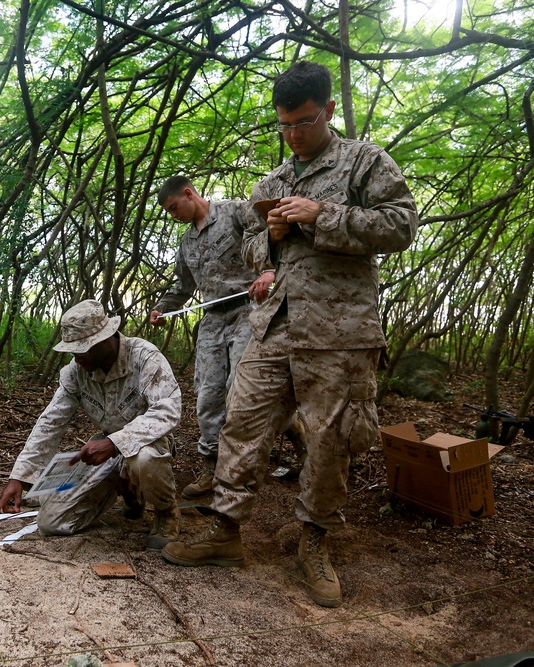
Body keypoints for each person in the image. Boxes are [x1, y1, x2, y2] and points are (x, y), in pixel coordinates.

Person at [162, 61, 418, 608]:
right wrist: (272, 236)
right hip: (274, 325)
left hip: (339, 332)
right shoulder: (272, 182)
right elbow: (252, 251)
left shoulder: (364, 163)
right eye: (284, 125)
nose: (294, 134)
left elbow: (401, 226)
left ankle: (314, 539)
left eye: (303, 122)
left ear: (327, 110)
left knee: (329, 438)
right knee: (241, 420)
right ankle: (225, 529)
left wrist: (323, 214)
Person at [0, 299, 183, 550]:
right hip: (105, 449)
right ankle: (128, 491)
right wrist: (20, 477)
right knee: (51, 523)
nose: (77, 357)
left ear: (105, 340)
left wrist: (115, 443)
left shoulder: (144, 357)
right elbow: (51, 423)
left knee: (143, 459)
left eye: (83, 350)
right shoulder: (75, 371)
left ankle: (166, 512)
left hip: (148, 443)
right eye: (73, 351)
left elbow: (167, 411)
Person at [150, 177, 276, 500]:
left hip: (248, 310)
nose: (173, 215)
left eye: (174, 207)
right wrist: (162, 308)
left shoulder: (234, 212)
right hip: (213, 321)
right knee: (208, 394)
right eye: (168, 212)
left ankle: (246, 463)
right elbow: (182, 285)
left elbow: (268, 240)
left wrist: (268, 270)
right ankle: (211, 466)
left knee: (241, 388)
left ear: (189, 194)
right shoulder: (186, 243)